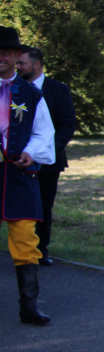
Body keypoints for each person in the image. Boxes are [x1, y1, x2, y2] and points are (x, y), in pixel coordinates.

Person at [0, 26, 56, 325]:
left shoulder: (31, 94)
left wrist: (31, 152)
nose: (1, 58)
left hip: (18, 176)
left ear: (16, 56)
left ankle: (29, 307)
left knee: (25, 240)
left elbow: (44, 133)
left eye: (6, 53)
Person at [17, 46, 76, 266]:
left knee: (43, 206)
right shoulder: (14, 88)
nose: (18, 67)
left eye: (22, 63)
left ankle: (41, 250)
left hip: (48, 162)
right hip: (16, 160)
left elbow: (67, 125)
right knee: (18, 206)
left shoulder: (58, 90)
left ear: (36, 65)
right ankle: (21, 249)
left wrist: (45, 151)